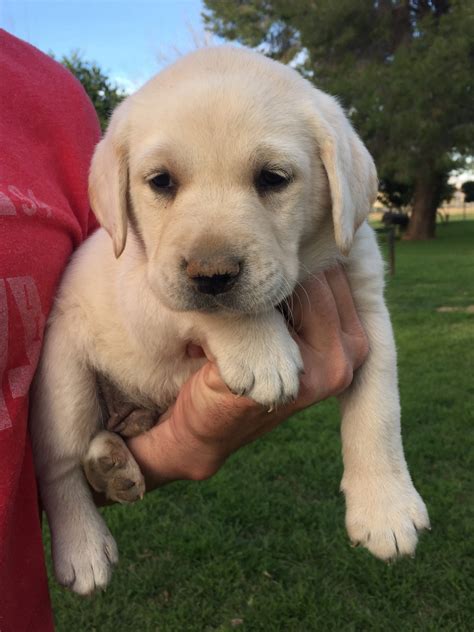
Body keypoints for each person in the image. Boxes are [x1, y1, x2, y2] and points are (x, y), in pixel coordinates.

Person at [0, 29, 368, 632]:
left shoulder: (54, 96)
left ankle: (113, 445)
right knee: (67, 328)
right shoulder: (125, 175)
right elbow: (136, 304)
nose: (209, 261)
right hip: (106, 354)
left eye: (272, 178)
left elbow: (369, 329)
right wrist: (240, 325)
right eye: (163, 183)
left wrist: (175, 448)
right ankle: (68, 491)